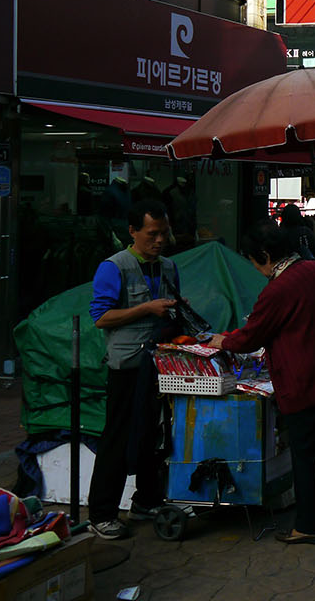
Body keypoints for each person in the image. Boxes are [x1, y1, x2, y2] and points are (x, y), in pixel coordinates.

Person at [210, 219, 315, 545]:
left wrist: (223, 341)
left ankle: (309, 524)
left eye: (251, 259)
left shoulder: (279, 288)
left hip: (305, 382)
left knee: (305, 455)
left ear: (263, 255)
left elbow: (251, 336)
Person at [87, 200, 180, 540]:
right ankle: (102, 513)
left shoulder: (169, 267)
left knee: (154, 436)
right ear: (132, 232)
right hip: (126, 366)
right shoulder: (114, 267)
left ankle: (147, 500)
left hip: (161, 364)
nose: (159, 241)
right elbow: (101, 318)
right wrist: (146, 308)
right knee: (118, 437)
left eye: (164, 234)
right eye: (152, 234)